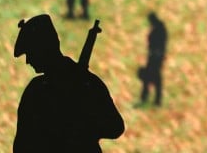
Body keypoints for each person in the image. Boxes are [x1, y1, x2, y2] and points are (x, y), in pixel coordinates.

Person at [13, 14, 125, 151]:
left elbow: (115, 127)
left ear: (44, 49)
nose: (28, 60)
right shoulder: (36, 91)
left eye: (31, 53)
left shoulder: (85, 84)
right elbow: (22, 146)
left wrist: (81, 124)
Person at [139, 12, 168, 106]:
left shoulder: (159, 29)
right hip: (155, 56)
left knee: (152, 77)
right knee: (153, 77)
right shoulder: (159, 27)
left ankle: (150, 99)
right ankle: (154, 99)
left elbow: (159, 44)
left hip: (155, 57)